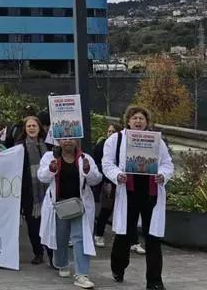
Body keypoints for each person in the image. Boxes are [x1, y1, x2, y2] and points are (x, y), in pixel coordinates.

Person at [103, 106, 174, 290]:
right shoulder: (116, 139)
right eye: (135, 118)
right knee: (124, 236)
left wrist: (163, 176)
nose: (138, 121)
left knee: (153, 239)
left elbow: (167, 164)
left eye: (141, 118)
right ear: (128, 121)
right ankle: (118, 268)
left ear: (146, 122)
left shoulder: (156, 141)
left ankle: (155, 281)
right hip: (128, 194)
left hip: (150, 195)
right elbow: (107, 162)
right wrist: (117, 174)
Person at [38, 138, 102, 289]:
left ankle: (82, 274)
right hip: (59, 205)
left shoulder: (85, 158)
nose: (68, 142)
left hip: (79, 206)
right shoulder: (50, 157)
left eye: (71, 138)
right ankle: (61, 263)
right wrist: (51, 169)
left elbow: (96, 180)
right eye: (64, 139)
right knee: (60, 237)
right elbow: (42, 177)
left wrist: (88, 171)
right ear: (59, 141)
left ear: (77, 140)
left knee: (80, 238)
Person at [16, 116, 51, 266]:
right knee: (33, 225)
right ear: (25, 129)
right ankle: (38, 252)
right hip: (29, 192)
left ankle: (52, 253)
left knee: (49, 223)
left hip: (48, 191)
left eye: (34, 125)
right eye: (28, 126)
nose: (31, 128)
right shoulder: (19, 147)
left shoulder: (49, 146)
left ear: (39, 128)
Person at [92, 122, 120, 248]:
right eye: (109, 131)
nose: (110, 134)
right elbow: (96, 162)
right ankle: (99, 234)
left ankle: (132, 240)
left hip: (121, 182)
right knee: (106, 209)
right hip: (108, 182)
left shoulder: (122, 146)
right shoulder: (101, 145)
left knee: (123, 211)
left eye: (113, 131)